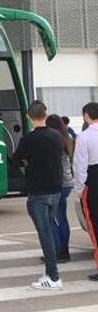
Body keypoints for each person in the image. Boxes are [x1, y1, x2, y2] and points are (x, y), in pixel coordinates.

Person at [13, 101, 63, 289]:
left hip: (38, 191)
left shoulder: (29, 139)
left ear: (28, 116)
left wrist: (27, 170)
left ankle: (53, 276)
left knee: (45, 234)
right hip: (56, 189)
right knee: (49, 229)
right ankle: (50, 271)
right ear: (46, 114)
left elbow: (16, 161)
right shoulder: (57, 135)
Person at [73, 103, 98, 282]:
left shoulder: (85, 136)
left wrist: (80, 189)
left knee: (95, 226)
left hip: (94, 181)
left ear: (86, 115)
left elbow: (80, 166)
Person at [47, 114, 74, 263]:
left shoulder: (53, 140)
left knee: (52, 219)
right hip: (67, 182)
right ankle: (65, 251)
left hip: (57, 183)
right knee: (62, 218)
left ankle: (58, 252)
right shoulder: (67, 138)